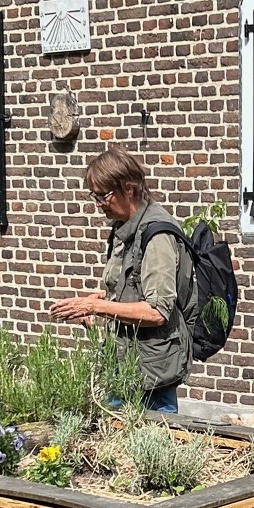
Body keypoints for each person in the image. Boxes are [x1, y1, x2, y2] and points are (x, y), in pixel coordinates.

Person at [49, 148, 192, 411]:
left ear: (128, 188)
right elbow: (131, 288)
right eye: (94, 196)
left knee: (151, 447)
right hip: (124, 363)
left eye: (103, 195)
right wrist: (98, 299)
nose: (98, 204)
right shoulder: (123, 228)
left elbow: (157, 311)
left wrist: (96, 307)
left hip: (153, 375)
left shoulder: (157, 235)